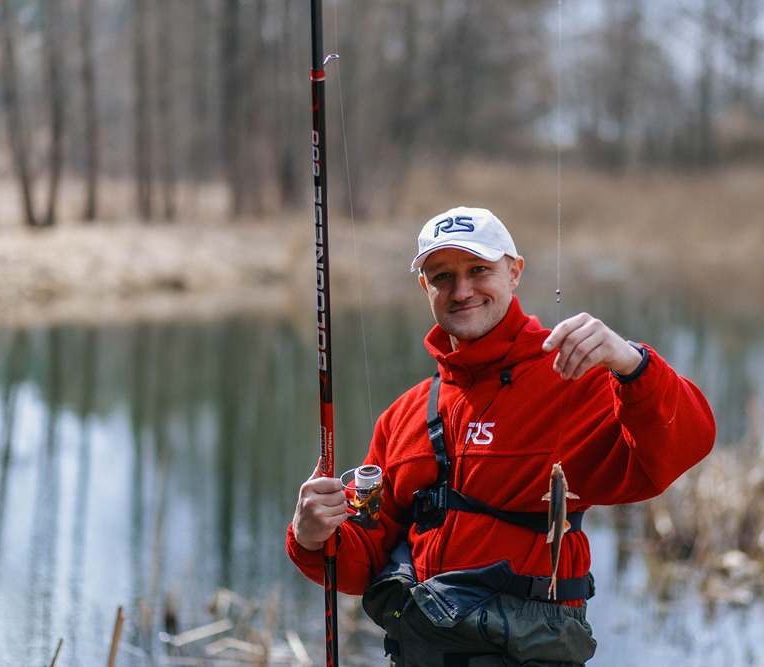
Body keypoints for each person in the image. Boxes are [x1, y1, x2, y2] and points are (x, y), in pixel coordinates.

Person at [287, 206, 715, 666]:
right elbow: (360, 564)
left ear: (514, 272)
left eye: (478, 270)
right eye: (442, 276)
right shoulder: (403, 415)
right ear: (424, 287)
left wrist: (633, 364)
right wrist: (311, 535)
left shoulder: (573, 374)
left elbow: (688, 442)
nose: (462, 289)